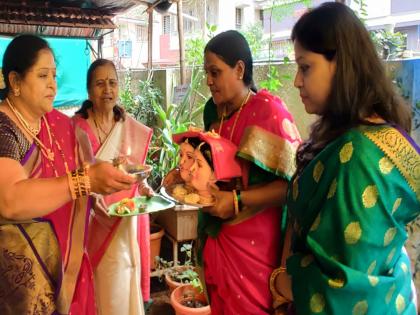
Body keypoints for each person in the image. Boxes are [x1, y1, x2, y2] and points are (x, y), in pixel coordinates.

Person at [270, 3, 420, 314]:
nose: (297, 80)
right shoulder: (352, 133)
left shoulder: (359, 157)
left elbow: (342, 286)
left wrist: (282, 282)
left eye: (305, 66)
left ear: (341, 64)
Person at [0, 35, 137, 315]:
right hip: (18, 280)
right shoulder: (5, 129)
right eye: (42, 75)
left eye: (54, 75)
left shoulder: (55, 125)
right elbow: (10, 199)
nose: (53, 84)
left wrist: (108, 172)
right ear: (15, 82)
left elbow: (82, 168)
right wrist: (83, 181)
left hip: (65, 265)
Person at [200, 30, 301, 314]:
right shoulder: (214, 113)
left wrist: (236, 200)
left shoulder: (268, 112)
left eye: (215, 72)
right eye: (206, 72)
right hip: (219, 239)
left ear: (240, 69)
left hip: (255, 248)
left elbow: (294, 186)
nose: (208, 81)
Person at [72, 59, 153, 315]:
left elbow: (134, 174)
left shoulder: (128, 127)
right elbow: (70, 176)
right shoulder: (76, 129)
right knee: (101, 283)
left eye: (112, 83)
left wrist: (144, 187)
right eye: (100, 83)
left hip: (125, 221)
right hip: (92, 220)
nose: (107, 89)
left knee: (124, 278)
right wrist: (90, 194)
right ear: (89, 90)